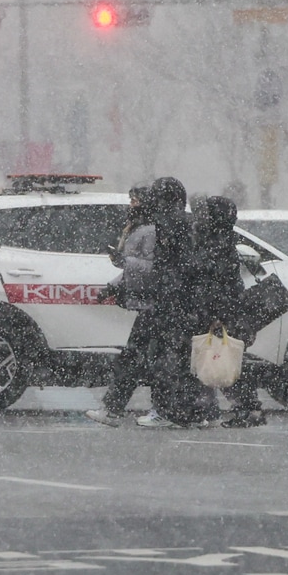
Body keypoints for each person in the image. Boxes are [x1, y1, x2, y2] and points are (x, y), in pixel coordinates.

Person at [145, 176, 219, 428]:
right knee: (193, 359)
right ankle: (201, 410)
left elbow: (176, 264)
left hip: (174, 303)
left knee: (169, 360)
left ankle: (167, 410)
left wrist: (168, 289)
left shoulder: (169, 224)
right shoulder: (190, 223)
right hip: (191, 303)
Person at [86, 185, 159, 427]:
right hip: (148, 304)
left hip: (152, 304)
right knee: (148, 359)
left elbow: (152, 267)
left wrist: (124, 261)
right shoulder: (139, 227)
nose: (131, 205)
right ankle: (200, 411)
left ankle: (113, 409)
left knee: (133, 359)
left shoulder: (150, 230)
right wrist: (113, 285)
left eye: (135, 201)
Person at [192, 195, 265, 427]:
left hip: (220, 312)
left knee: (223, 361)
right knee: (225, 360)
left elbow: (217, 283)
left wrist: (216, 315)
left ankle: (246, 409)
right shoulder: (225, 239)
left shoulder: (215, 242)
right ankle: (246, 409)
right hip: (227, 309)